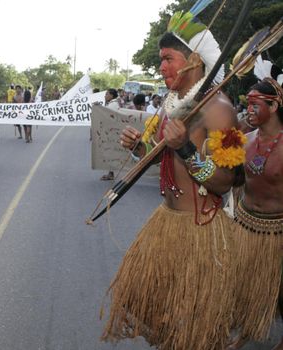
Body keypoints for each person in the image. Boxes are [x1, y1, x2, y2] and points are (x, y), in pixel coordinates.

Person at [102, 8, 245, 350]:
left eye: (168, 58)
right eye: (160, 59)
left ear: (194, 60)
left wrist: (187, 150)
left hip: (202, 232)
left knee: (195, 333)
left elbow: (226, 182)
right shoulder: (173, 105)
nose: (161, 67)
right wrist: (139, 147)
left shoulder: (220, 109)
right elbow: (157, 156)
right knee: (167, 329)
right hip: (168, 223)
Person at [226, 59, 283, 350]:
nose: (248, 108)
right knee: (244, 286)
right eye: (246, 102)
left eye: (255, 103)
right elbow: (227, 180)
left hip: (279, 231)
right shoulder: (244, 140)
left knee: (281, 291)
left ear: (273, 107)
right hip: (246, 225)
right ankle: (244, 332)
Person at [99, 88, 120, 181]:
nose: (105, 96)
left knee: (110, 152)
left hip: (112, 132)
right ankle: (110, 172)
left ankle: (111, 173)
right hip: (112, 131)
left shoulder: (113, 105)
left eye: (107, 94)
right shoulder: (113, 104)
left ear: (111, 95)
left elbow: (108, 117)